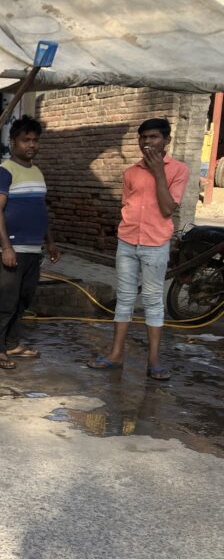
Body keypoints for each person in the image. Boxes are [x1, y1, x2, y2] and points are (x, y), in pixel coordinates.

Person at [87, 118, 188, 380]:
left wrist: (158, 173)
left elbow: (167, 209)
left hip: (155, 244)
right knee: (125, 299)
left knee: (153, 301)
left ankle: (153, 361)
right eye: (143, 137)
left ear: (167, 140)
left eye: (153, 137)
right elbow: (127, 205)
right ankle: (115, 355)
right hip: (128, 241)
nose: (147, 142)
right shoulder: (131, 172)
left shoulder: (178, 170)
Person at [0, 115, 61, 369]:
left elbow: (41, 210)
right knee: (6, 299)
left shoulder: (37, 172)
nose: (31, 145)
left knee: (24, 299)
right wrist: (6, 247)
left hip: (33, 248)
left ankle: (12, 343)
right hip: (11, 249)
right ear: (13, 142)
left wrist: (50, 242)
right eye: (25, 140)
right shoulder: (2, 173)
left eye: (35, 140)